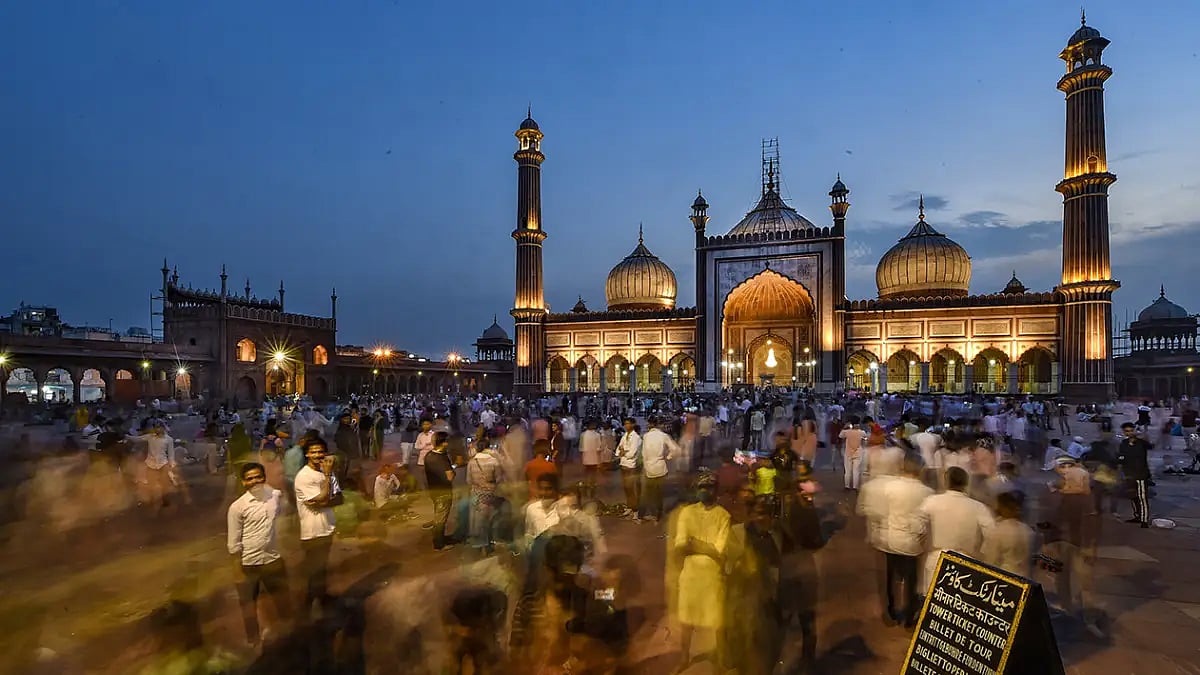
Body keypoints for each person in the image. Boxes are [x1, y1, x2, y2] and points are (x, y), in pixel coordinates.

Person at [227, 462, 291, 647]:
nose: (255, 482)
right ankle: (253, 640)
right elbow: (233, 543)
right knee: (248, 605)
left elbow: (283, 510)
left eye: (258, 477)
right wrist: (237, 571)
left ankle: (287, 634)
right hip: (249, 564)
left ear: (264, 478)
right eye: (250, 479)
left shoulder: (274, 496)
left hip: (273, 560)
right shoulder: (237, 507)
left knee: (282, 600)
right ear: (243, 482)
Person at [672, 472, 731, 674]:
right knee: (687, 621)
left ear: (716, 490)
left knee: (718, 621)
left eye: (709, 487)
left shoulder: (724, 515)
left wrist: (695, 544)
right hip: (690, 575)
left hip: (712, 577)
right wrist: (708, 548)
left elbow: (721, 550)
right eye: (702, 488)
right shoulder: (686, 513)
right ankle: (683, 657)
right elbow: (680, 546)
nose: (705, 491)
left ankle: (721, 659)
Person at [919, 467, 994, 593]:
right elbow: (992, 534)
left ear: (945, 481)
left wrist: (922, 543)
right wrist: (982, 554)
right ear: (966, 483)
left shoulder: (931, 502)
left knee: (933, 601)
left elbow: (917, 526)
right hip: (967, 561)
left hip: (936, 558)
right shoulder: (978, 507)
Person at [294, 437, 342, 613]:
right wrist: (328, 478)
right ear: (307, 454)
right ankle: (307, 607)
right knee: (314, 570)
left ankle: (321, 599)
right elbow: (321, 499)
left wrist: (325, 500)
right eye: (313, 452)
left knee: (322, 568)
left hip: (327, 526)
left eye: (320, 451)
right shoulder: (304, 476)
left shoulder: (326, 471)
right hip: (312, 531)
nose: (317, 455)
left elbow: (338, 498)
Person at [981, 490, 1036, 579]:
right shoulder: (1028, 531)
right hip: (1025, 580)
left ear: (1003, 507)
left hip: (1004, 580)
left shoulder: (997, 531)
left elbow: (990, 562)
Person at [424, 431, 458, 550]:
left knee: (438, 516)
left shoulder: (428, 456)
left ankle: (441, 538)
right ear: (443, 443)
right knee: (441, 518)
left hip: (433, 490)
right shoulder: (441, 458)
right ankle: (439, 544)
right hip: (443, 492)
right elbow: (450, 476)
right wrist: (454, 468)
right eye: (447, 441)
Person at [639, 416, 677, 523]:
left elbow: (643, 454)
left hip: (648, 468)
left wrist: (645, 465)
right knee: (658, 494)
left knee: (647, 493)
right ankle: (657, 516)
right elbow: (674, 449)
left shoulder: (646, 436)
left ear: (650, 424)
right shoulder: (664, 436)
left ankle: (642, 515)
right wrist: (668, 457)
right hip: (660, 467)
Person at [1117, 422, 1152, 527]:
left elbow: (1150, 445)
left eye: (1131, 430)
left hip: (1141, 475)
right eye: (1127, 431)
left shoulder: (1142, 443)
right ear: (1124, 432)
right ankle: (1137, 516)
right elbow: (1121, 458)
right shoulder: (1123, 443)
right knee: (1133, 496)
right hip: (1129, 475)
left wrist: (1142, 436)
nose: (1129, 433)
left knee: (1142, 497)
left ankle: (1144, 520)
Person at [615, 418, 642, 520]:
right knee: (626, 489)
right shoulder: (624, 436)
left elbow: (631, 454)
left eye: (628, 424)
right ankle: (630, 507)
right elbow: (617, 450)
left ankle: (635, 511)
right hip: (623, 465)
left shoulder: (636, 438)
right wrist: (622, 452)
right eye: (625, 424)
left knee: (632, 489)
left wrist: (623, 452)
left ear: (633, 424)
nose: (626, 426)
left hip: (631, 467)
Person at [839, 417, 867, 490]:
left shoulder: (846, 432)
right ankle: (855, 486)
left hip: (848, 453)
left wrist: (845, 427)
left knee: (847, 471)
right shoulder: (862, 432)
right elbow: (865, 439)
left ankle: (847, 485)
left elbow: (840, 435)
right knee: (856, 471)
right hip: (858, 453)